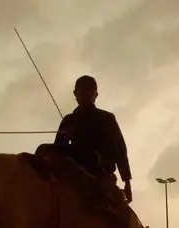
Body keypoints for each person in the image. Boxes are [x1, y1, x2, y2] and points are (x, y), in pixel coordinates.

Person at [53, 75, 132, 203]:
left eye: (90, 90)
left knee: (107, 204)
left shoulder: (107, 119)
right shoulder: (69, 121)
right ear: (75, 93)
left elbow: (120, 151)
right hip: (73, 170)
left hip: (102, 173)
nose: (86, 93)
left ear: (96, 94)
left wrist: (127, 181)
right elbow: (57, 149)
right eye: (83, 90)